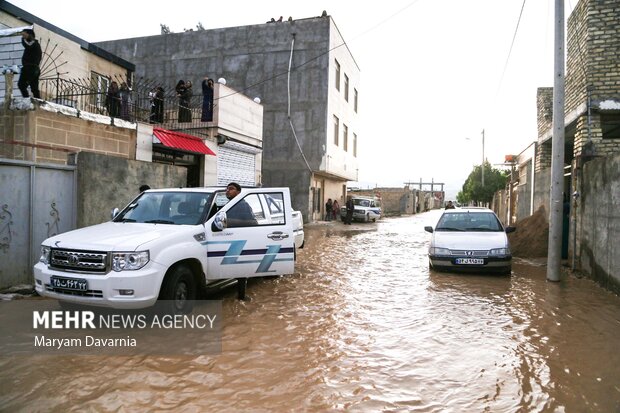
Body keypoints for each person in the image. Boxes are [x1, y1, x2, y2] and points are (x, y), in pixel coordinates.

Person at [18, 28, 42, 99]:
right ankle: (32, 100)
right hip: (29, 68)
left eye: (24, 34)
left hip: (31, 68)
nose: (23, 36)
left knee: (23, 85)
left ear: (30, 34)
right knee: (32, 87)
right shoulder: (33, 44)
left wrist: (23, 39)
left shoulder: (34, 43)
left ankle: (35, 101)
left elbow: (28, 45)